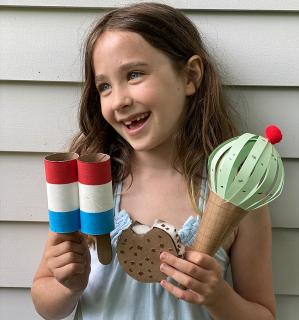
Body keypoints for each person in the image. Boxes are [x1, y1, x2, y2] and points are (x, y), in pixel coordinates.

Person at [31, 3, 276, 319]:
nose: (119, 99)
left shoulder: (236, 194)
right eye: (104, 86)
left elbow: (264, 314)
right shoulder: (88, 184)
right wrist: (66, 286)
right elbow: (45, 300)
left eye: (134, 74)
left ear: (190, 76)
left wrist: (218, 298)